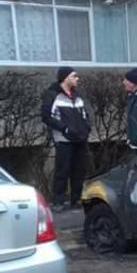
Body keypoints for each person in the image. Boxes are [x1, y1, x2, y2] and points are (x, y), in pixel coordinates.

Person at [41, 66, 91, 211]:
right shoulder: (53, 95)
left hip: (80, 139)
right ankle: (58, 201)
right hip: (63, 139)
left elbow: (85, 114)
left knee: (79, 170)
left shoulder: (77, 95)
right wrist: (64, 129)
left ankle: (76, 199)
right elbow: (46, 116)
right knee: (62, 170)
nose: (77, 79)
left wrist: (86, 128)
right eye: (74, 76)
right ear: (65, 78)